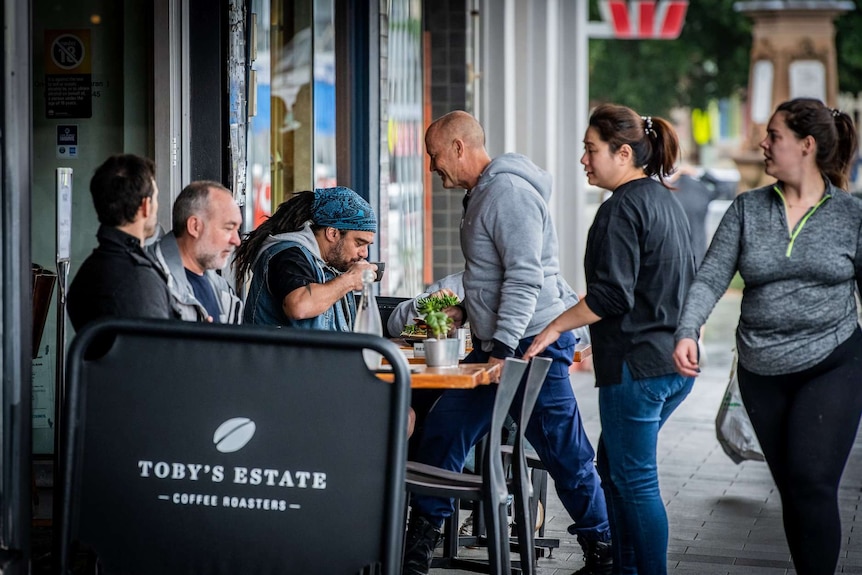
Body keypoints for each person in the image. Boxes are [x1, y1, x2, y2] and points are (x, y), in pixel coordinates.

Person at [403, 110, 612, 575]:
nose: (433, 168)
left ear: (459, 147)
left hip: (528, 344)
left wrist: (500, 350)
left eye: (436, 156)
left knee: (565, 451)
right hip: (502, 342)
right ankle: (416, 551)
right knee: (444, 432)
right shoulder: (486, 193)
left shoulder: (508, 193)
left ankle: (606, 550)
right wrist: (466, 312)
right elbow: (495, 277)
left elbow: (524, 279)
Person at [673, 98, 862, 575]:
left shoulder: (850, 215)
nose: (763, 143)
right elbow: (711, 277)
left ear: (807, 145)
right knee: (793, 490)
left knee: (813, 482)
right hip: (762, 370)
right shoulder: (747, 210)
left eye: (774, 135)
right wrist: (687, 329)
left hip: (834, 361)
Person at [525, 103, 696, 575]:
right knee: (614, 470)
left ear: (623, 153)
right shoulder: (665, 201)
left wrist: (555, 326)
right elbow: (657, 288)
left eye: (590, 149)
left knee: (634, 481)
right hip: (670, 366)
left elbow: (610, 296)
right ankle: (620, 568)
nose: (583, 160)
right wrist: (597, 339)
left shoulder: (620, 209)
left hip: (640, 370)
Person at [232, 186, 377, 331]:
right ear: (332, 233)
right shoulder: (288, 254)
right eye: (359, 243)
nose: (364, 254)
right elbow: (299, 306)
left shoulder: (328, 262)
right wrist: (351, 280)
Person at [67, 154, 174, 331]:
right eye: (156, 198)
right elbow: (158, 353)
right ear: (146, 206)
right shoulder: (138, 280)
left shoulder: (88, 271)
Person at [149, 180, 244, 323]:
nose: (236, 241)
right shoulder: (150, 283)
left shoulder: (222, 290)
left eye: (237, 230)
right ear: (195, 226)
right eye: (228, 228)